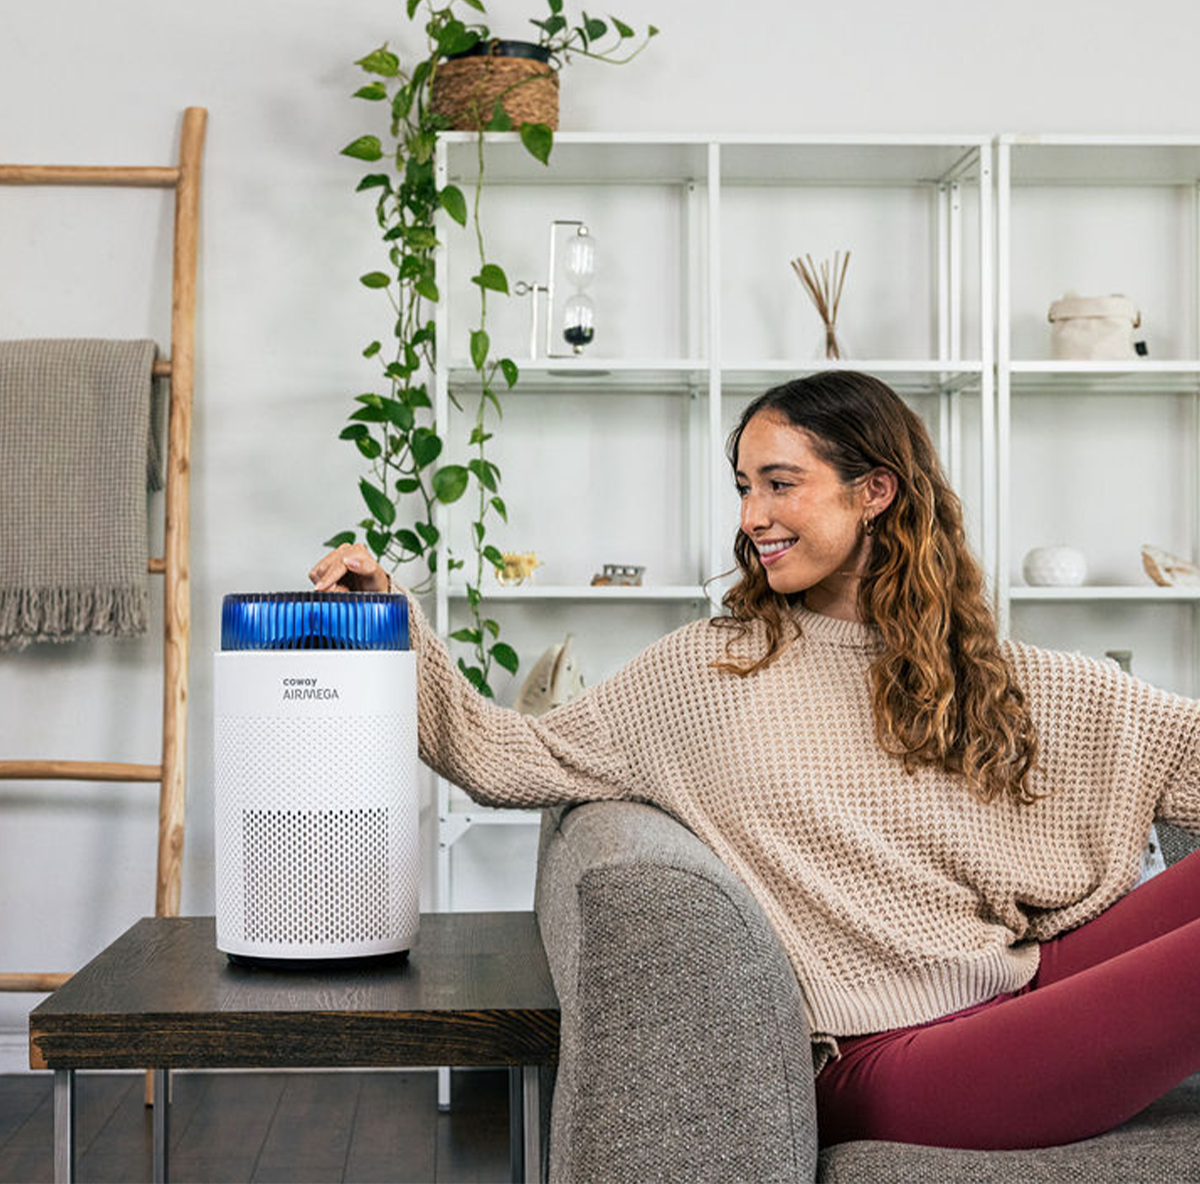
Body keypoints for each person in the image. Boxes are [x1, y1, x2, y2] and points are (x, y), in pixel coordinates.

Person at [309, 370, 1200, 1152]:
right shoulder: (708, 666)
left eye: (780, 484)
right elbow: (504, 756)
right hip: (884, 1057)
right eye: (744, 487)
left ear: (875, 492)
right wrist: (390, 620)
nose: (752, 518)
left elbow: (1178, 747)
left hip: (1015, 986)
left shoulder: (984, 669)